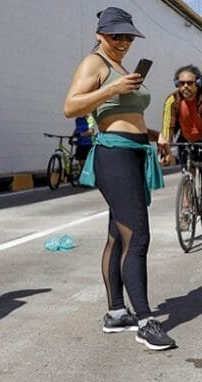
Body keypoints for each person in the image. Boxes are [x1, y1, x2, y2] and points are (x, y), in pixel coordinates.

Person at [63, 6, 175, 351]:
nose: (124, 42)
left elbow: (125, 117)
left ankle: (115, 313)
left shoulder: (119, 66)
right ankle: (144, 321)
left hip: (133, 152)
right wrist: (112, 90)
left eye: (128, 36)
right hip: (113, 156)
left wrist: (155, 134)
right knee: (137, 236)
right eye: (117, 36)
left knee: (118, 236)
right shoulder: (94, 63)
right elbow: (71, 106)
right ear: (101, 35)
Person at [158, 65, 202, 199]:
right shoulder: (172, 100)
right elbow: (167, 126)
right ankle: (186, 210)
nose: (185, 86)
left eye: (189, 83)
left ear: (198, 83)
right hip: (185, 137)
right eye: (181, 83)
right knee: (188, 173)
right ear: (177, 84)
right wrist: (164, 148)